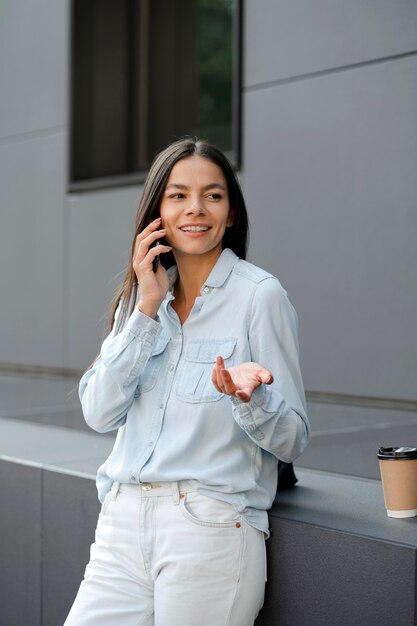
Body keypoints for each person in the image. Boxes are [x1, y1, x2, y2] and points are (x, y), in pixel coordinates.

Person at [64, 138, 309, 626]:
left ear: (232, 213)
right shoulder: (142, 298)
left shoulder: (260, 296)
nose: (195, 209)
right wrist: (146, 310)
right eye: (177, 195)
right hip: (121, 523)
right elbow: (98, 411)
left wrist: (250, 398)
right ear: (156, 209)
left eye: (213, 195)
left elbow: (294, 438)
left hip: (210, 526)